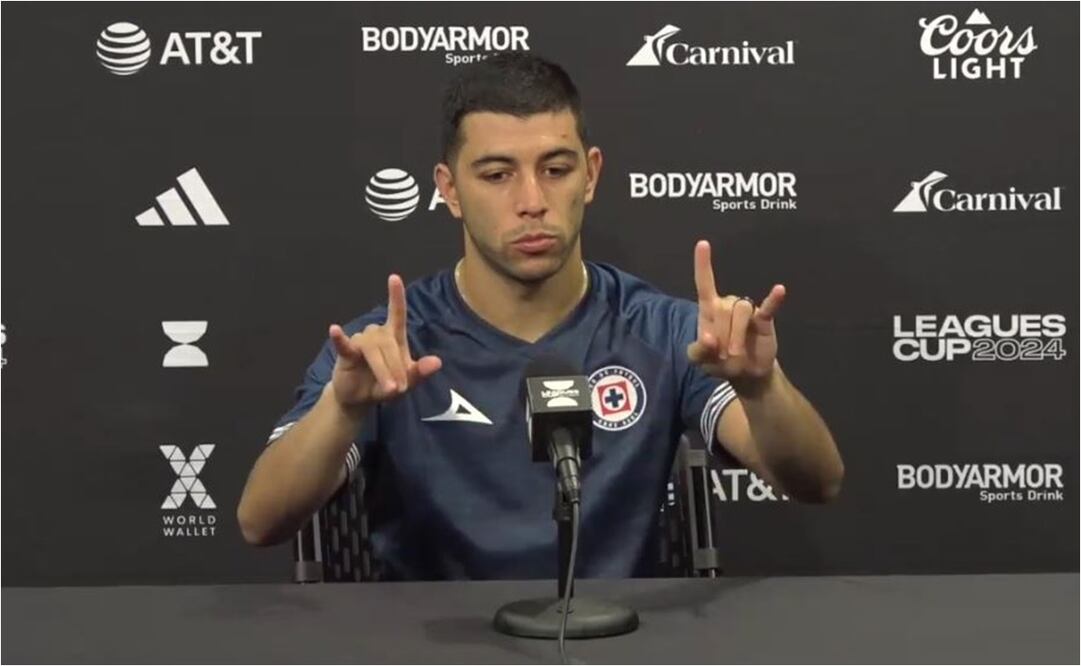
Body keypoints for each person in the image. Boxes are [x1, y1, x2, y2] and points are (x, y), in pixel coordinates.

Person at [237, 53, 843, 580]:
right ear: (448, 190)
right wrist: (343, 409)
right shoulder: (388, 348)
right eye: (497, 175)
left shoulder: (666, 332)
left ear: (591, 174)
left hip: (622, 644)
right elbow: (260, 521)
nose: (531, 201)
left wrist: (763, 387)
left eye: (555, 169)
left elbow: (818, 483)